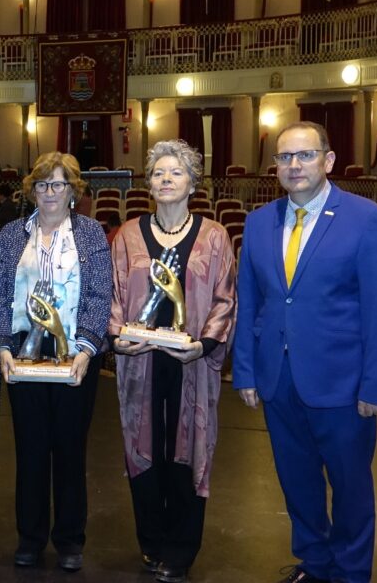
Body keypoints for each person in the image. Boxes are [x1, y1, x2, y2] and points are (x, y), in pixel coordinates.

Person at [234, 121, 377, 583]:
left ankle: (350, 573)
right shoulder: (259, 220)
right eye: (285, 157)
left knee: (350, 488)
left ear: (328, 161)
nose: (294, 165)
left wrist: (376, 384)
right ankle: (315, 563)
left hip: (344, 385)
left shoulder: (367, 220)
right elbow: (252, 301)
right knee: (297, 483)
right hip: (278, 379)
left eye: (305, 155)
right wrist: (245, 371)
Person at [108, 140, 237, 583]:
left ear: (192, 183)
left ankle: (181, 548)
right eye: (159, 173)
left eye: (175, 172)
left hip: (191, 366)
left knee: (188, 452)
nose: (166, 179)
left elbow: (225, 299)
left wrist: (203, 345)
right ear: (149, 183)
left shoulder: (215, 235)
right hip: (140, 364)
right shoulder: (127, 235)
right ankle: (151, 540)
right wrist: (118, 339)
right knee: (143, 451)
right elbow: (113, 295)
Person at [0, 151, 112, 573]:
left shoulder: (91, 234)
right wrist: (1, 345)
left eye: (58, 184)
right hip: (23, 352)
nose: (50, 192)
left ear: (73, 191)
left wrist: (88, 348)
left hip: (75, 352)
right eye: (42, 184)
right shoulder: (10, 235)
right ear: (32, 191)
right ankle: (31, 537)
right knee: (31, 450)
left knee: (71, 451)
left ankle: (70, 539)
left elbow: (98, 293)